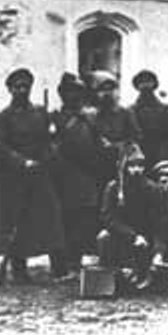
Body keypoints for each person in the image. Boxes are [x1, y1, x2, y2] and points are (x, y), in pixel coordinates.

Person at [0, 68, 66, 285]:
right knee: (18, 221)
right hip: (14, 177)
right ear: (9, 89)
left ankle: (60, 269)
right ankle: (19, 270)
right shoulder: (3, 116)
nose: (22, 91)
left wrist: (45, 158)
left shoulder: (40, 112)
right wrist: (22, 162)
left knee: (51, 219)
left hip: (40, 173)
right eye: (17, 87)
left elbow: (48, 140)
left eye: (25, 86)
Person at [56, 84, 111, 274]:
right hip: (64, 174)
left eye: (76, 93)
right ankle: (67, 263)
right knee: (66, 219)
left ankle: (83, 259)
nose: (72, 96)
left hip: (88, 174)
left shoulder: (90, 117)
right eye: (68, 92)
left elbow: (100, 141)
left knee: (86, 218)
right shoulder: (57, 116)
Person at [97, 144, 162, 289]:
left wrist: (150, 241)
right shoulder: (113, 189)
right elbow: (108, 218)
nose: (137, 170)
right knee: (104, 237)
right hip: (123, 235)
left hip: (146, 238)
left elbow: (157, 219)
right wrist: (132, 236)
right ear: (124, 167)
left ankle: (145, 273)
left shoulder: (151, 189)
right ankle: (111, 278)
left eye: (140, 166)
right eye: (132, 166)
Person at [89, 71, 142, 168]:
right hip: (99, 162)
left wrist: (116, 145)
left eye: (111, 89)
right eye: (102, 89)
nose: (107, 93)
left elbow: (136, 138)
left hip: (121, 161)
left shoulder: (125, 113)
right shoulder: (93, 115)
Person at [130, 70, 168, 168]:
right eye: (142, 83)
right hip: (139, 154)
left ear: (154, 84)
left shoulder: (165, 109)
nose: (145, 85)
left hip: (160, 153)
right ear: (137, 86)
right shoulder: (131, 110)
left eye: (149, 82)